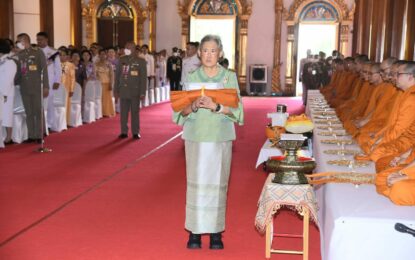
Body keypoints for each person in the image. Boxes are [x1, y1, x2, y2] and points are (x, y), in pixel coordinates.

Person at [173, 35, 244, 250]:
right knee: (195, 185)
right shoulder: (192, 76)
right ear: (199, 53)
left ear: (220, 53)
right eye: (205, 50)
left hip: (219, 137)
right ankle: (194, 231)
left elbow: (239, 112)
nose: (209, 55)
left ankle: (215, 232)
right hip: (196, 136)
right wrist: (193, 106)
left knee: (218, 185)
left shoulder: (228, 78)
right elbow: (179, 112)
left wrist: (217, 107)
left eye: (213, 51)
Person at [16, 33, 49, 143]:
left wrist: (46, 86)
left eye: (19, 41)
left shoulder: (38, 52)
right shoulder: (20, 54)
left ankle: (40, 134)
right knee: (29, 112)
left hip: (36, 87)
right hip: (24, 87)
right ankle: (31, 135)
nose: (18, 44)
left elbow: (44, 70)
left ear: (25, 41)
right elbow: (18, 72)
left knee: (38, 111)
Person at [114, 41, 147, 139]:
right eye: (126, 48)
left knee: (135, 112)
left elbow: (143, 78)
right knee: (123, 113)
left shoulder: (140, 61)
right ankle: (124, 131)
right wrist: (116, 90)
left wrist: (142, 92)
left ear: (134, 49)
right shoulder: (121, 60)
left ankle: (135, 132)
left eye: (129, 48)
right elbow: (117, 76)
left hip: (135, 91)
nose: (127, 50)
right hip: (123, 90)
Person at [36, 31, 62, 130]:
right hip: (37, 80)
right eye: (37, 40)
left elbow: (58, 68)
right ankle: (41, 125)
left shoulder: (53, 52)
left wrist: (57, 81)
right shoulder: (35, 51)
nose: (39, 41)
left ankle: (50, 124)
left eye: (41, 39)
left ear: (46, 39)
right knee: (39, 103)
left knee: (50, 103)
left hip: (50, 80)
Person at [0, 39, 17, 145]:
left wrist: (4, 94)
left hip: (6, 93)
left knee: (6, 115)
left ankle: (9, 137)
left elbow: (8, 79)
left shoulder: (9, 62)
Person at [96, 49, 115, 117]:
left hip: (107, 83)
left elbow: (111, 75)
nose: (102, 56)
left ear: (106, 55)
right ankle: (99, 113)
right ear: (99, 55)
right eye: (101, 54)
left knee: (107, 99)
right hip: (98, 84)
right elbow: (95, 74)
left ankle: (106, 112)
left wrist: (111, 84)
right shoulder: (96, 64)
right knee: (99, 98)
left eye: (104, 54)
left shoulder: (109, 64)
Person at [58, 47, 75, 123]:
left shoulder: (70, 65)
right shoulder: (55, 64)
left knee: (65, 103)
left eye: (64, 55)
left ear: (67, 56)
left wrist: (71, 89)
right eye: (60, 55)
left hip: (66, 87)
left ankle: (65, 121)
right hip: (56, 87)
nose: (62, 57)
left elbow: (72, 78)